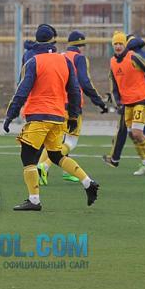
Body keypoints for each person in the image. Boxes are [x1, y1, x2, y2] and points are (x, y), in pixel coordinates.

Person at [3, 24, 99, 211]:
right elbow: (74, 91)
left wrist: (10, 114)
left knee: (28, 155)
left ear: (37, 41)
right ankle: (88, 182)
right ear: (53, 41)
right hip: (58, 116)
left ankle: (34, 200)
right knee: (56, 155)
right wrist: (73, 116)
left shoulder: (33, 62)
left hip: (39, 116)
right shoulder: (65, 61)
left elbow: (22, 91)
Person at [37, 30, 108, 184]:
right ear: (81, 46)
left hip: (57, 104)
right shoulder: (80, 58)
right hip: (72, 106)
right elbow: (85, 82)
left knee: (54, 141)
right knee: (70, 142)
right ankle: (45, 165)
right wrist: (99, 102)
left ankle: (45, 170)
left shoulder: (60, 56)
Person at [102, 31, 145, 176]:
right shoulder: (112, 62)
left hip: (142, 100)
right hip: (127, 103)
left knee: (137, 133)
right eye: (115, 44)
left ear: (125, 45)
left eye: (120, 44)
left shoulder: (134, 57)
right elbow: (113, 85)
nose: (118, 46)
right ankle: (144, 162)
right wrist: (118, 102)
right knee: (132, 135)